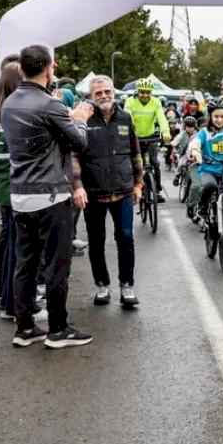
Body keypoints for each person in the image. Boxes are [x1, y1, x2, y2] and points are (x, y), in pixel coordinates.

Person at [2, 44, 94, 350]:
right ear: (48, 68)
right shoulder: (49, 104)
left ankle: (25, 326)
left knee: (25, 264)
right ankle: (57, 329)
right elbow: (79, 143)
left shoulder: (10, 102)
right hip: (50, 195)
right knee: (57, 264)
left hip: (19, 195)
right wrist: (79, 117)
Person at [72, 76, 143, 308]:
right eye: (98, 93)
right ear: (91, 97)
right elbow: (73, 156)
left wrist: (138, 184)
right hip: (93, 192)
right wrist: (77, 185)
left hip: (122, 190)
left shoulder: (125, 117)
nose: (103, 96)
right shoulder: (84, 118)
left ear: (113, 92)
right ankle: (102, 285)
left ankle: (127, 286)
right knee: (96, 241)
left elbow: (135, 153)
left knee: (125, 238)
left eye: (106, 91)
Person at [0, 56, 28, 316]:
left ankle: (3, 292)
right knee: (15, 244)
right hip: (12, 187)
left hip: (4, 185)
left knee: (8, 238)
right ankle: (10, 300)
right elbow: (9, 159)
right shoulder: (9, 115)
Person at [124, 78, 170, 200]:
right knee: (134, 164)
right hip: (135, 137)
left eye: (148, 92)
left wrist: (165, 132)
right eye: (142, 92)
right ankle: (134, 188)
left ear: (151, 92)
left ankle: (158, 190)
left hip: (150, 137)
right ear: (137, 91)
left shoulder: (156, 102)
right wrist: (131, 130)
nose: (145, 95)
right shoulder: (130, 101)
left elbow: (161, 118)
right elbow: (127, 117)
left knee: (155, 163)